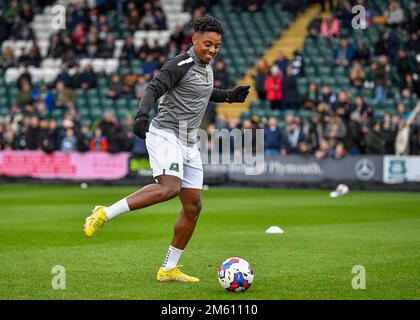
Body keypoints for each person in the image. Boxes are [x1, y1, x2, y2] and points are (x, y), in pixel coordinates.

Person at [83, 16, 250, 282]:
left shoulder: (207, 66)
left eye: (217, 45)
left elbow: (201, 92)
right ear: (194, 39)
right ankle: (104, 212)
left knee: (193, 207)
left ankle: (168, 269)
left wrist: (228, 95)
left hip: (188, 142)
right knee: (170, 187)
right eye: (208, 44)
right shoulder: (179, 64)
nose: (212, 49)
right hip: (165, 134)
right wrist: (141, 115)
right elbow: (153, 87)